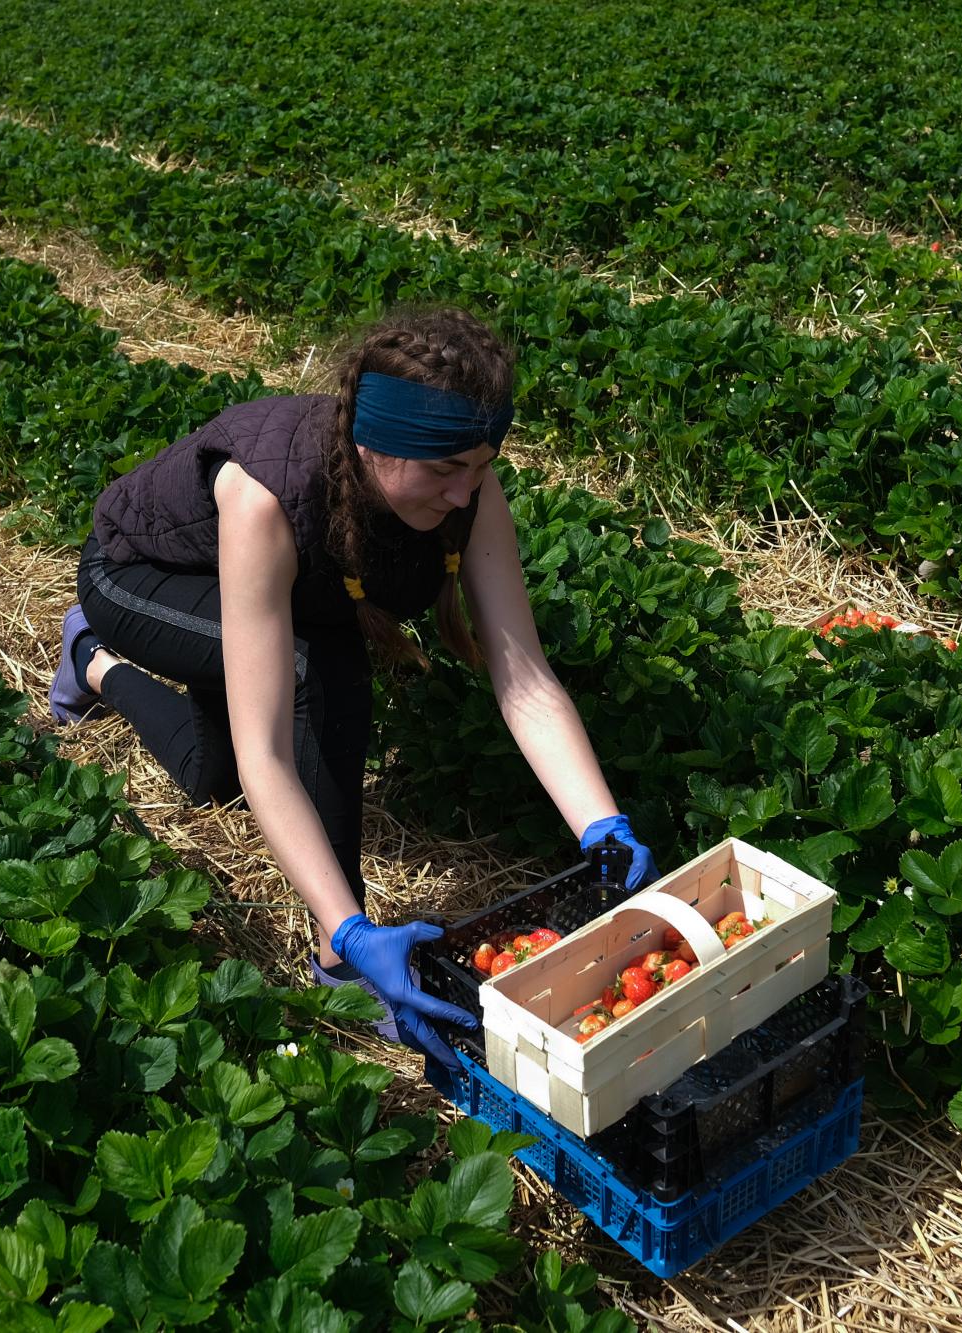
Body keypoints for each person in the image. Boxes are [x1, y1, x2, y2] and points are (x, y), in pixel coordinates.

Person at [50, 306, 658, 1068]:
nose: (465, 493)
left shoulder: (466, 487)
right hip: (142, 578)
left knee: (214, 779)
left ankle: (91, 662)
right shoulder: (264, 496)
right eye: (445, 470)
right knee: (315, 672)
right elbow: (269, 753)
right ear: (375, 444)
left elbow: (525, 678)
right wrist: (349, 928)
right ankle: (334, 963)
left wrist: (603, 824)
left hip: (273, 594)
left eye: (481, 465)